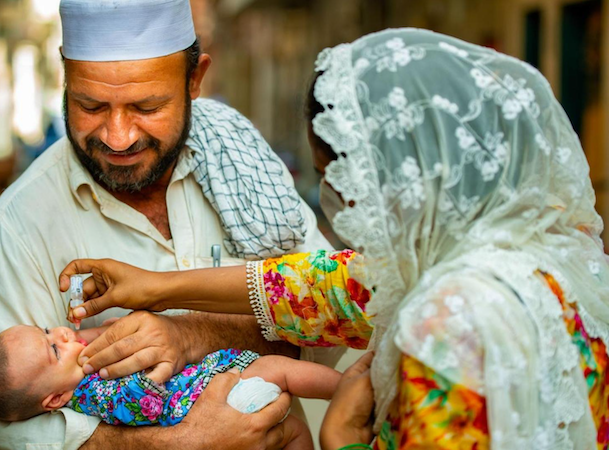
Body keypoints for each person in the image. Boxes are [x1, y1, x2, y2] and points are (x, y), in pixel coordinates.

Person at [60, 28, 609, 449]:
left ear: (402, 180)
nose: (338, 205)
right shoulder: (545, 257)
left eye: (340, 183)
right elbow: (308, 288)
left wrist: (341, 437)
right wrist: (155, 288)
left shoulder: (448, 319)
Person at [0, 0, 340, 448]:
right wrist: (168, 443)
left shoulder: (246, 170)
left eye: (147, 106)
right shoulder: (19, 226)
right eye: (92, 105)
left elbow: (335, 317)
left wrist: (190, 334)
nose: (118, 137)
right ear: (65, 77)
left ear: (194, 80)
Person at [0, 325, 360, 450]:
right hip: (203, 404)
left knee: (290, 428)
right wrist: (150, 372)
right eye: (54, 347)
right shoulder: (96, 393)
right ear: (55, 399)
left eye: (48, 330)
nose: (63, 333)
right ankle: (354, 394)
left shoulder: (83, 378)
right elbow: (147, 407)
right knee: (278, 370)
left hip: (199, 398)